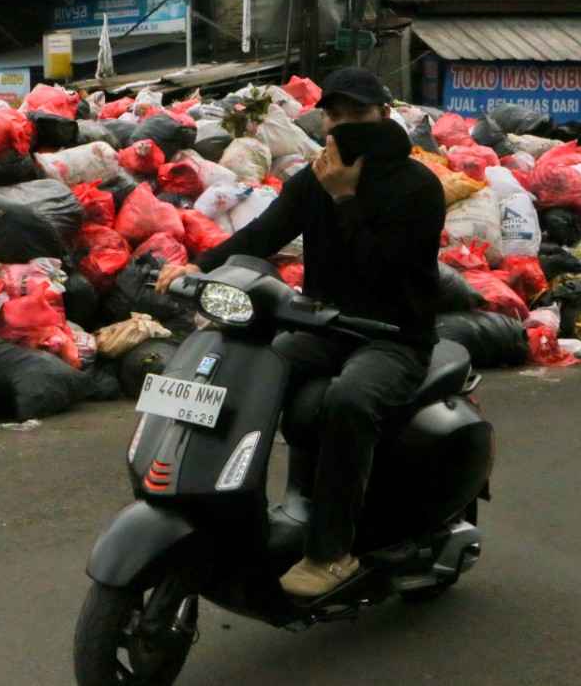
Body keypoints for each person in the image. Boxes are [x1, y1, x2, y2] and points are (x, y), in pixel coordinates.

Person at [155, 67, 445, 598]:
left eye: (357, 114)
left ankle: (331, 552)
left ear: (384, 114)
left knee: (348, 400)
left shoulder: (418, 186)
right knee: (242, 375)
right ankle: (230, 512)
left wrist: (346, 200)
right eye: (335, 115)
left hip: (394, 337)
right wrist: (201, 267)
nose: (344, 125)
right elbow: (263, 233)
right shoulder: (313, 179)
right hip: (322, 326)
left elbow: (390, 268)